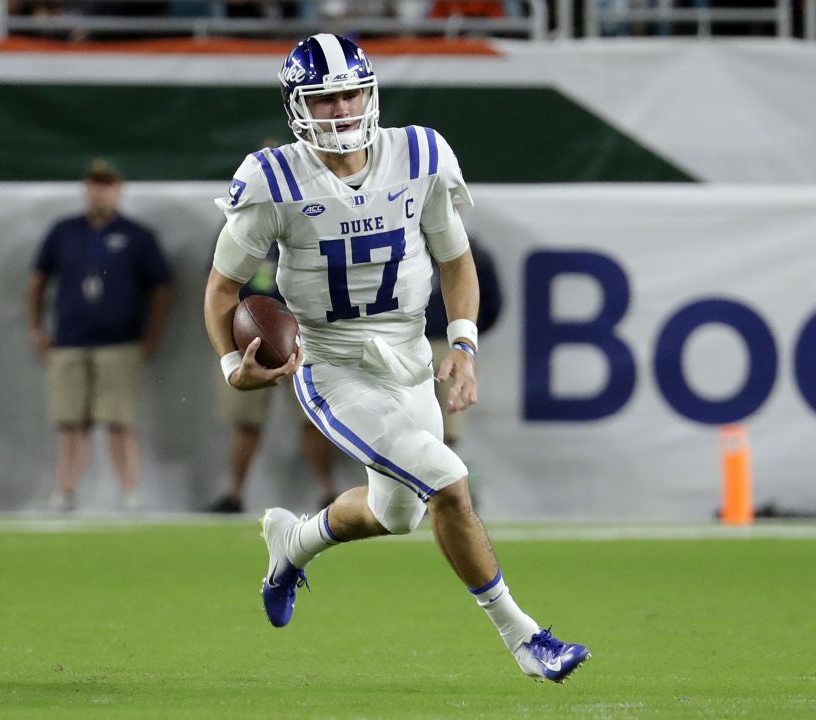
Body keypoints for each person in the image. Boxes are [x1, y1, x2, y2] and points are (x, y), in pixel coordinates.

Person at [202, 34, 590, 683]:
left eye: (350, 92)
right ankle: (525, 637)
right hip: (330, 361)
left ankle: (293, 544)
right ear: (298, 106)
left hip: (409, 348)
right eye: (324, 99)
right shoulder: (273, 179)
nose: (342, 109)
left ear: (371, 90)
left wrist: (462, 342)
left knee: (398, 512)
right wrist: (229, 366)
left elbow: (455, 257)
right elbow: (221, 288)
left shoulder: (419, 154)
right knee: (447, 481)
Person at [28, 159, 173, 512]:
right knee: (70, 422)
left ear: (119, 189)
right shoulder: (64, 231)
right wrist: (37, 328)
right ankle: (65, 489)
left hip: (119, 341)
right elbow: (37, 280)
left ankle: (128, 491)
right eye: (95, 184)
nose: (101, 191)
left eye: (107, 184)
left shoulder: (138, 235)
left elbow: (162, 287)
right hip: (70, 340)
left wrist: (153, 334)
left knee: (119, 421)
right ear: (85, 188)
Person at [207, 245, 338, 514]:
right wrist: (231, 353)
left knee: (313, 418)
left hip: (304, 334)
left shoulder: (306, 216)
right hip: (246, 338)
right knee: (246, 420)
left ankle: (329, 490)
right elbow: (217, 285)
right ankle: (233, 493)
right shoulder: (240, 220)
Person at [426, 237, 502, 449]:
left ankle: (446, 458)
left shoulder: (469, 250)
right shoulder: (398, 242)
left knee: (451, 419)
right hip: (402, 343)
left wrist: (465, 338)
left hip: (447, 344)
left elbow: (491, 303)